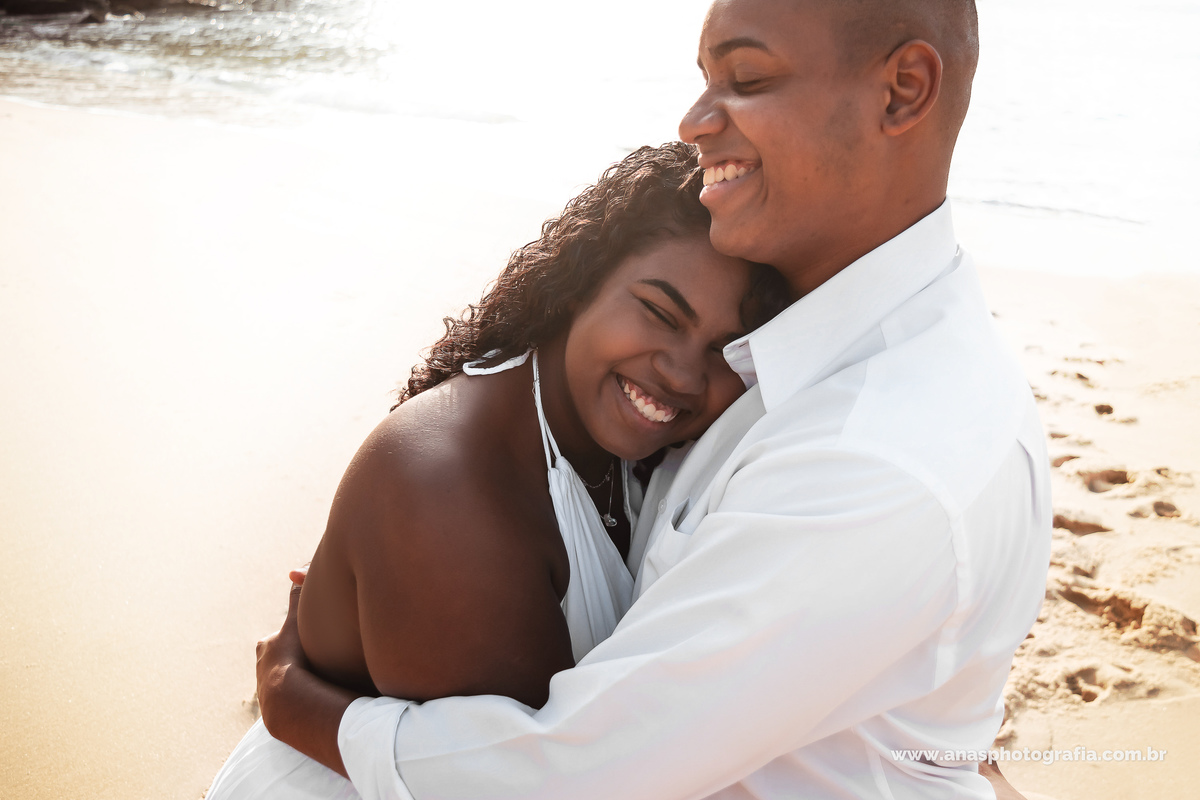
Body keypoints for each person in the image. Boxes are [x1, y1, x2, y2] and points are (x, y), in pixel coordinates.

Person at [254, 0, 1052, 798]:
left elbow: (574, 775)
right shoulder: (809, 352)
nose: (695, 121)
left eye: (745, 77)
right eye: (703, 78)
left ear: (902, 91)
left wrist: (301, 707)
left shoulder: (876, 457)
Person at [206, 142, 790, 799]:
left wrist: (291, 698)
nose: (684, 372)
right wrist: (290, 703)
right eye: (658, 312)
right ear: (580, 283)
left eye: (722, 349)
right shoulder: (449, 494)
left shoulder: (628, 446)